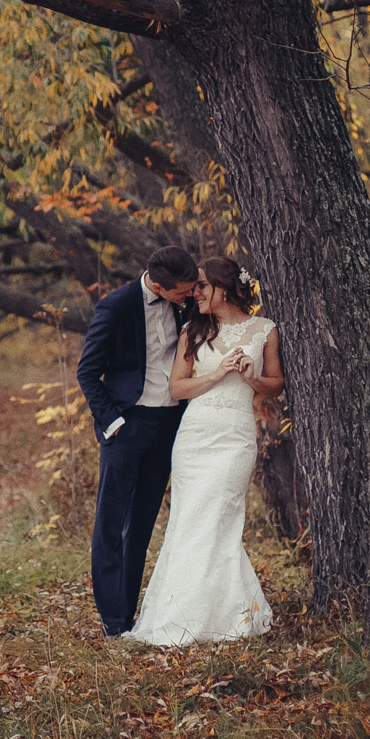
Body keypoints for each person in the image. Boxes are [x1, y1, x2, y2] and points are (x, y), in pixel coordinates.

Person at [126, 255, 282, 646]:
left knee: (220, 520)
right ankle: (179, 615)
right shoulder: (192, 331)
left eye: (201, 287)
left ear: (223, 289)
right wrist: (217, 373)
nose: (194, 294)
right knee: (189, 520)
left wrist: (251, 377)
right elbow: (178, 388)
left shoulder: (265, 330)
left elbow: (276, 385)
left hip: (235, 437)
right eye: (194, 287)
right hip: (195, 437)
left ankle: (228, 615)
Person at [75, 245, 201, 637]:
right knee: (110, 526)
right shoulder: (115, 307)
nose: (190, 296)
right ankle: (113, 623)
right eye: (183, 291)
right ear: (160, 287)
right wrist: (113, 423)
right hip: (127, 426)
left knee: (143, 525)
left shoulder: (184, 304)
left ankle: (129, 615)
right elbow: (87, 372)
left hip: (168, 426)